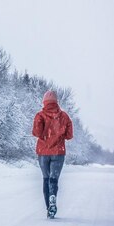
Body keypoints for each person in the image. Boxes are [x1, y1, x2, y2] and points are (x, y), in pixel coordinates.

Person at [32, 90, 73, 219]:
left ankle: (48, 208)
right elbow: (69, 136)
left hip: (43, 153)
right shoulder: (64, 116)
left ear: (44, 102)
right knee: (53, 179)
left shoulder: (40, 115)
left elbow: (36, 133)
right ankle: (53, 198)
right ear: (56, 102)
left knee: (46, 179)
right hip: (58, 152)